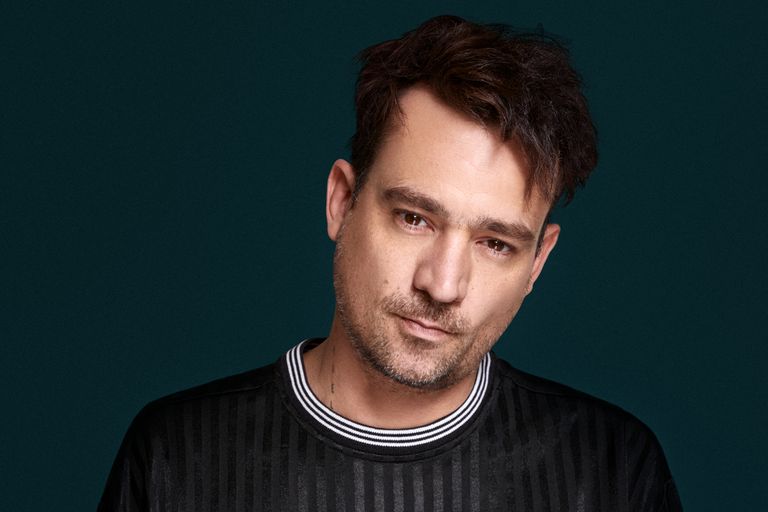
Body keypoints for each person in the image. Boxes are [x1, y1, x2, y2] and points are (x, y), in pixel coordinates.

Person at [99, 15, 682, 511]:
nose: (443, 284)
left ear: (537, 262)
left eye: (495, 244)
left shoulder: (611, 470)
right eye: (414, 218)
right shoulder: (177, 456)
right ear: (341, 202)